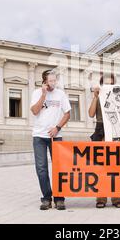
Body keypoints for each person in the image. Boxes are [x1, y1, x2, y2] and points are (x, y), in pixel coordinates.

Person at [30, 69, 71, 211]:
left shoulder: (61, 94)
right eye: (51, 80)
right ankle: (46, 198)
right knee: (41, 169)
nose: (54, 83)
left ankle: (59, 199)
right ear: (45, 82)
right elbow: (35, 111)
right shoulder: (36, 93)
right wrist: (43, 94)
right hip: (39, 136)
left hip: (56, 136)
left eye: (55, 80)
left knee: (59, 168)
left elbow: (67, 114)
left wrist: (57, 128)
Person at [88, 74, 120, 208]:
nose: (108, 85)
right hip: (100, 129)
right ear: (102, 84)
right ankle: (101, 199)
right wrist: (95, 97)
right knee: (100, 168)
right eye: (106, 83)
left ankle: (117, 199)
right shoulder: (99, 97)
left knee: (116, 168)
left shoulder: (119, 97)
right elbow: (91, 114)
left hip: (115, 130)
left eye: (111, 83)